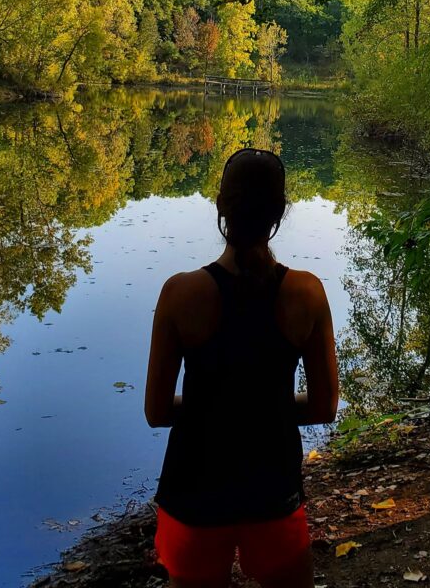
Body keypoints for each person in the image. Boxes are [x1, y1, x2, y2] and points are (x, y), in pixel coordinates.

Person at [144, 147, 339, 588]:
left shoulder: (180, 294)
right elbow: (325, 407)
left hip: (193, 493)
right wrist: (262, 406)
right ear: (280, 212)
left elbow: (156, 412)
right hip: (272, 490)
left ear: (221, 207)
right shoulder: (306, 293)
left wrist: (211, 407)